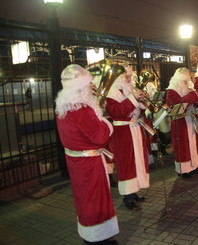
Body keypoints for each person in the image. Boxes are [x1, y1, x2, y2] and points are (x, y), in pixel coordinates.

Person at [55, 64, 119, 245]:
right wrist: (105, 122)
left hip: (76, 160)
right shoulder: (82, 109)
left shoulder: (64, 105)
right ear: (80, 88)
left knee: (84, 199)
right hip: (89, 163)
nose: (92, 88)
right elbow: (99, 136)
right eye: (88, 85)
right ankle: (97, 238)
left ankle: (94, 236)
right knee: (95, 199)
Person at [105, 65, 149, 210]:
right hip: (123, 131)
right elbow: (117, 112)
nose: (130, 80)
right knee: (127, 163)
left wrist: (143, 101)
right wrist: (133, 98)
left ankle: (134, 191)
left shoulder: (128, 89)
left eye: (130, 77)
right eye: (127, 77)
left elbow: (135, 109)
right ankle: (127, 196)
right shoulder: (112, 93)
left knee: (137, 162)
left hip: (134, 129)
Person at [166, 67, 198, 178]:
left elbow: (191, 102)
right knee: (182, 146)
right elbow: (176, 104)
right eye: (184, 81)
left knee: (193, 144)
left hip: (189, 120)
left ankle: (194, 167)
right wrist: (192, 96)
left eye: (187, 81)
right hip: (180, 122)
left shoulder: (188, 89)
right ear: (178, 81)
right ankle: (183, 170)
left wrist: (196, 101)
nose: (187, 83)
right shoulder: (172, 91)